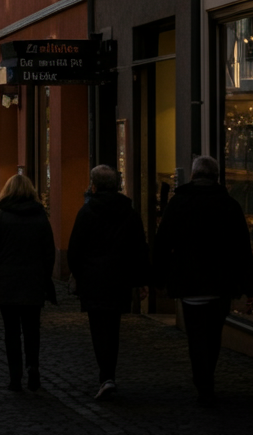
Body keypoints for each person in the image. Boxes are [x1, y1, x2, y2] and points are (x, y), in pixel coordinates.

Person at [152, 156, 253, 406]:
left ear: (193, 175)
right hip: (220, 283)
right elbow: (242, 248)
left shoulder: (179, 203)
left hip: (190, 283)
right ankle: (207, 377)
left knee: (196, 336)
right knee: (213, 335)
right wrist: (248, 285)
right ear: (216, 177)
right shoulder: (229, 205)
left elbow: (163, 243)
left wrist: (158, 278)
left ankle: (203, 382)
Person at [67, 164, 149, 401]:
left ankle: (106, 376)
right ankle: (108, 375)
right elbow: (139, 248)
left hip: (93, 281)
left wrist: (79, 274)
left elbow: (74, 250)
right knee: (113, 328)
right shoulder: (129, 213)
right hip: (119, 279)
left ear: (94, 186)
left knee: (98, 328)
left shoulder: (87, 213)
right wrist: (141, 280)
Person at [0, 172, 57, 392]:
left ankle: (15, 377)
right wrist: (44, 276)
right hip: (33, 282)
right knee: (32, 329)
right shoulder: (40, 217)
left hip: (7, 283)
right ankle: (33, 367)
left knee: (12, 332)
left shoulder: (0, 218)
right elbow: (49, 252)